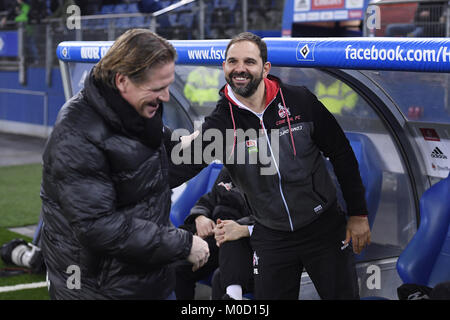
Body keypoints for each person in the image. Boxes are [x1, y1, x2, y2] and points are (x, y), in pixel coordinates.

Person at [170, 32, 371, 299]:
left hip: (322, 226)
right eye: (232, 61)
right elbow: (181, 168)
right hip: (271, 235)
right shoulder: (220, 123)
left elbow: (341, 153)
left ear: (265, 68)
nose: (240, 69)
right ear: (224, 67)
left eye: (249, 62)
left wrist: (358, 214)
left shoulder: (299, 101)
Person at [40, 29, 209, 300]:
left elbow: (161, 166)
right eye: (157, 88)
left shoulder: (139, 108)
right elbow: (98, 227)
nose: (165, 96)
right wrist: (182, 244)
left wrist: (215, 140)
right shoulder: (75, 135)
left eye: (168, 86)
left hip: (147, 276)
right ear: (122, 81)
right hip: (98, 289)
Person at [175, 167, 254, 300]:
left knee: (221, 276)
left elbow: (270, 215)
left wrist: (237, 226)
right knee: (179, 267)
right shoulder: (229, 169)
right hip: (217, 237)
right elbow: (209, 199)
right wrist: (200, 217)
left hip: (247, 241)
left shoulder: (266, 172)